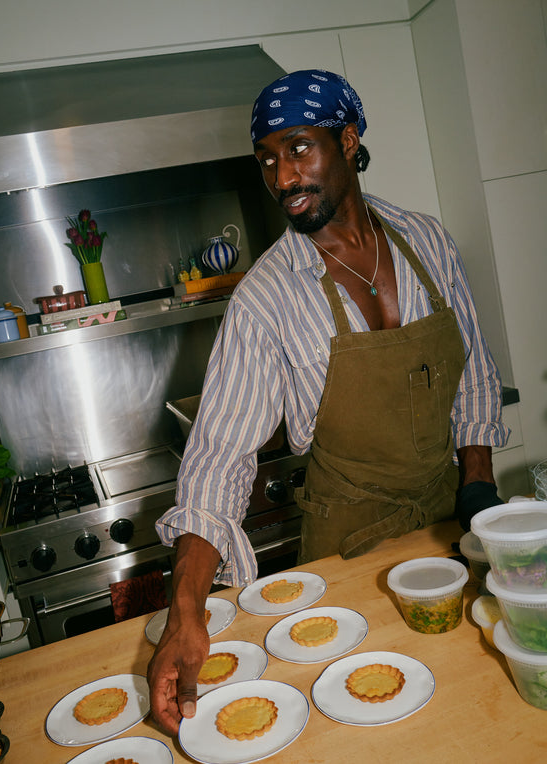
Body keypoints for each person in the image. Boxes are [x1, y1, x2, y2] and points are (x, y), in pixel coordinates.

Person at [147, 69, 509, 735]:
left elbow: (473, 374)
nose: (283, 178)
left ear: (348, 141)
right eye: (267, 160)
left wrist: (478, 495)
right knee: (373, 722)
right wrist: (186, 609)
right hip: (346, 556)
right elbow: (219, 460)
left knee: (472, 708)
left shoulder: (427, 241)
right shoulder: (266, 297)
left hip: (448, 528)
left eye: (299, 150)